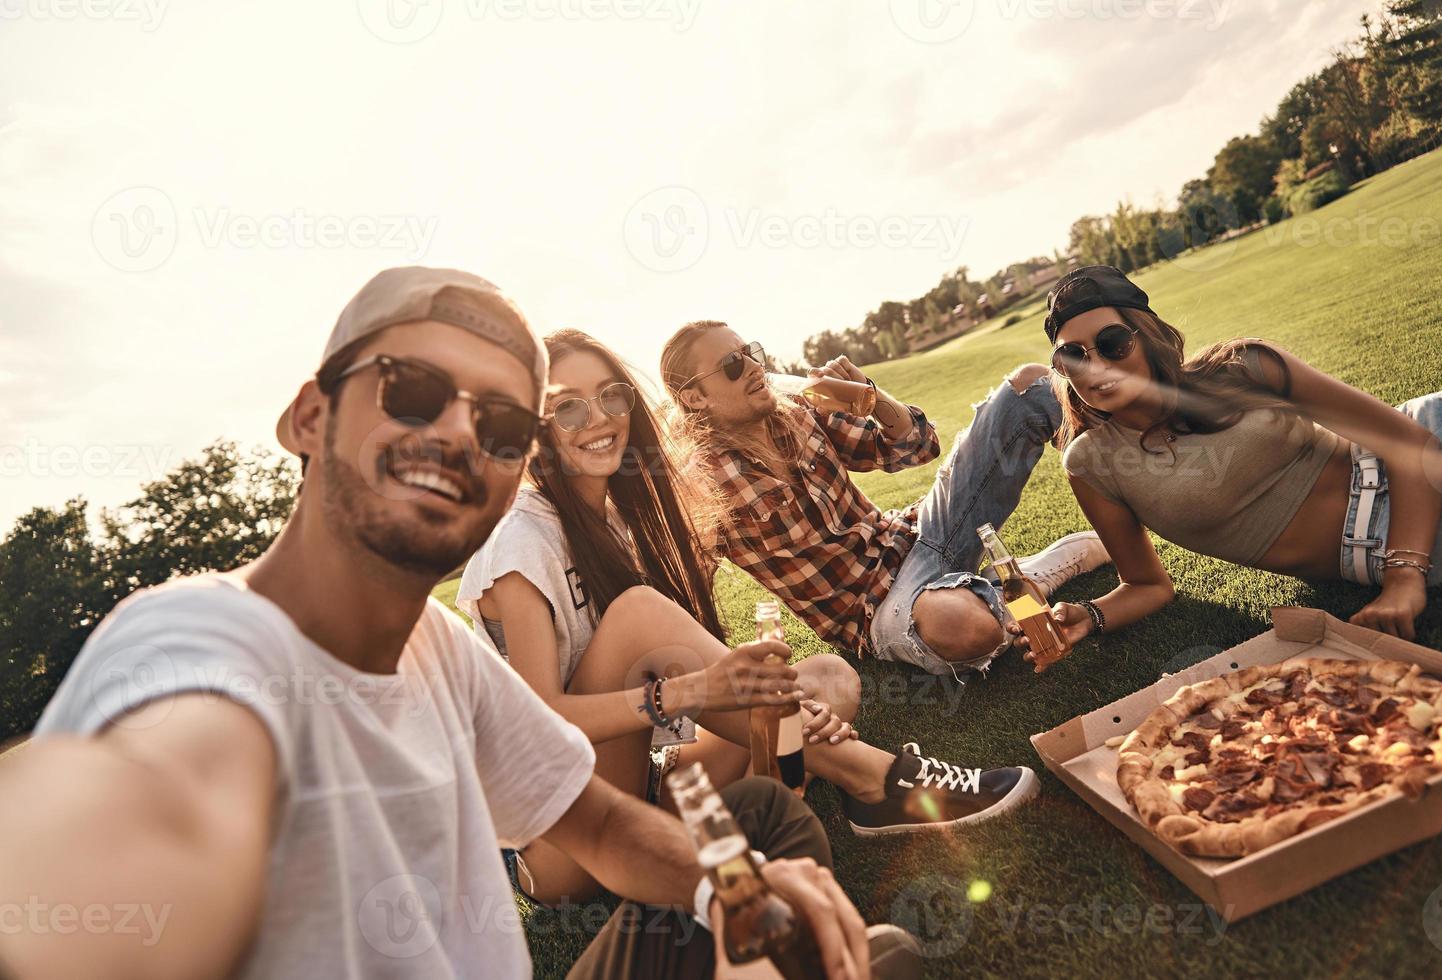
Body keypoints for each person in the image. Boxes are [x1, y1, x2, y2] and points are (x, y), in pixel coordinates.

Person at [0, 268, 918, 980]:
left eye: (506, 423)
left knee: (761, 828)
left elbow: (598, 824)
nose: (461, 436)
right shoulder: (191, 637)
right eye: (412, 390)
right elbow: (144, 799)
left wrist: (731, 894)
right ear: (310, 416)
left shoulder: (434, 647)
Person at [457, 330, 1038, 893]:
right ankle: (876, 780)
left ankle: (763, 810)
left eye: (611, 396)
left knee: (828, 679)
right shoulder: (519, 540)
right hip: (560, 839)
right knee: (639, 614)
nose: (600, 418)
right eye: (567, 409)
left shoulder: (615, 524)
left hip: (644, 786)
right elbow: (541, 723)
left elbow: (676, 682)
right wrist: (689, 693)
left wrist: (773, 703)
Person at [1041, 264, 1442, 646]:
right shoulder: (1092, 463)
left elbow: (1409, 444)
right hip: (1385, 538)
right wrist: (1090, 615)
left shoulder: (1244, 365)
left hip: (1439, 431)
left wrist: (1403, 578)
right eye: (1073, 356)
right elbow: (1146, 584)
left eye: (1112, 343)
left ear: (1146, 337)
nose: (1094, 366)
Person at [660, 322, 1110, 683]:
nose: (755, 368)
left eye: (752, 352)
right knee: (968, 628)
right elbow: (685, 592)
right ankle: (1019, 581)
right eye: (733, 364)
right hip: (873, 611)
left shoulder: (799, 411)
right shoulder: (700, 484)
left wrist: (871, 397)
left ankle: (1128, 489)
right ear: (694, 396)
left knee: (1030, 387)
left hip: (917, 536)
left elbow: (918, 446)